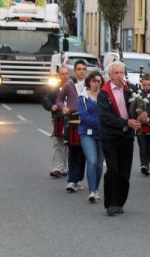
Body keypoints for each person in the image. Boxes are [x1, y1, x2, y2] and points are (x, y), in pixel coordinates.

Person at [98, 61, 146, 216]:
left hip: (126, 136)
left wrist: (143, 114)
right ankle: (110, 203)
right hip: (110, 136)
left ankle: (120, 202)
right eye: (116, 73)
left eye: (121, 73)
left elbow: (142, 103)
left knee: (124, 170)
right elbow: (105, 117)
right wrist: (125, 122)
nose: (119, 76)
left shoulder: (130, 90)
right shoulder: (104, 93)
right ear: (110, 75)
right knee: (113, 169)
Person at [56, 60, 88, 193]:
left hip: (87, 122)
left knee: (84, 153)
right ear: (74, 71)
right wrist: (63, 107)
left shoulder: (90, 84)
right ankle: (72, 180)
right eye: (79, 69)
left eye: (84, 69)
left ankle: (78, 178)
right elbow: (58, 99)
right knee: (73, 151)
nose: (81, 71)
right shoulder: (69, 85)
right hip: (73, 121)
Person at [78, 71, 105, 202]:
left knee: (100, 165)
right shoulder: (83, 97)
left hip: (102, 135)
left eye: (99, 81)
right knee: (92, 161)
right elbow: (83, 116)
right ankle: (92, 191)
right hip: (87, 133)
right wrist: (100, 124)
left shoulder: (104, 97)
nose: (96, 84)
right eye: (94, 81)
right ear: (89, 82)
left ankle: (96, 189)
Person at [42, 67, 70, 178]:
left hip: (73, 120)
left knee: (70, 145)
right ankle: (58, 168)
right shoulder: (54, 88)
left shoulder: (74, 87)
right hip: (59, 119)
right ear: (58, 76)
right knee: (58, 143)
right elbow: (46, 99)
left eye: (67, 73)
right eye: (62, 74)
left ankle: (66, 168)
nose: (65, 76)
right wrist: (51, 106)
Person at [136, 74, 150, 176]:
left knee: (149, 147)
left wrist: (149, 113)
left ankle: (146, 163)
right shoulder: (137, 94)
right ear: (142, 84)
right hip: (141, 124)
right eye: (145, 85)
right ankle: (144, 165)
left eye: (149, 84)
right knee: (142, 146)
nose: (147, 87)